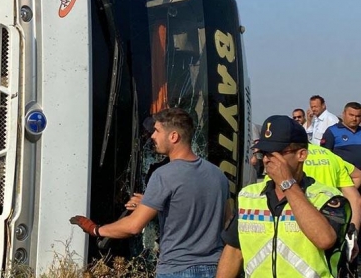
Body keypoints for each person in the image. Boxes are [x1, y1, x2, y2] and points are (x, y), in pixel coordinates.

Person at [71, 108, 228, 277]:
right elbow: (225, 222)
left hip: (177, 270)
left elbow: (133, 226)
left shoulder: (164, 175)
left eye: (158, 131)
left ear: (173, 136)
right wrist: (154, 204)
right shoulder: (218, 175)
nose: (153, 136)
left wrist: (96, 229)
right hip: (215, 268)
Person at [216, 115, 351, 278]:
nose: (267, 159)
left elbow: (325, 240)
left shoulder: (327, 197)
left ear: (301, 154)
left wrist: (288, 184)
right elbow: (234, 251)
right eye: (264, 153)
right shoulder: (249, 196)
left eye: (277, 153)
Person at [323, 102, 361, 169]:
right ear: (344, 114)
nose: (354, 119)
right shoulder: (332, 131)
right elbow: (325, 155)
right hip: (343, 174)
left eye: (358, 116)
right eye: (351, 115)